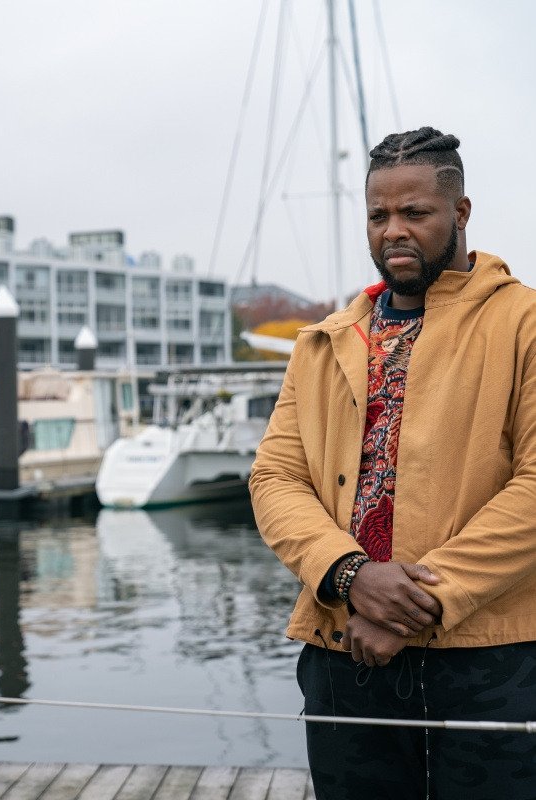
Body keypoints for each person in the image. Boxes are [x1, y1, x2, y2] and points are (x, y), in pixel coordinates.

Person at [250, 127, 536, 799]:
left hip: (488, 657)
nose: (393, 231)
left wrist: (412, 604)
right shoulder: (325, 341)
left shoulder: (523, 323)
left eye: (414, 212)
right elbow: (275, 477)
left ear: (459, 212)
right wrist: (350, 575)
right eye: (378, 215)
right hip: (342, 649)